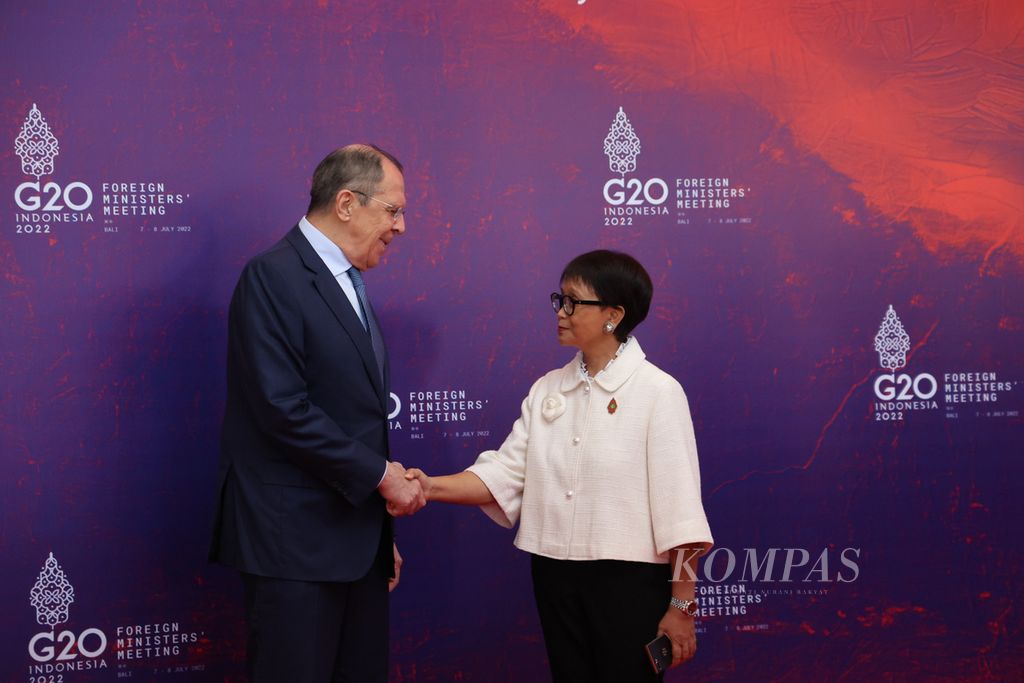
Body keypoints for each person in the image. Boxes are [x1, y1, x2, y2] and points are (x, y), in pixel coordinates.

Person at [405, 250, 713, 682]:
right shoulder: (549, 387)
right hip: (553, 574)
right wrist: (428, 486)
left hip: (629, 583)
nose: (560, 312)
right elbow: (504, 474)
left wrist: (681, 606)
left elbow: (681, 515)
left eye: (573, 302)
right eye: (559, 300)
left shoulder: (658, 392)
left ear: (613, 314)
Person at [209, 144, 425, 683]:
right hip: (294, 548)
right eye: (393, 211)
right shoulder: (273, 276)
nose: (400, 227)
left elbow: (353, 417)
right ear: (347, 203)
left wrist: (376, 540)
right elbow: (282, 409)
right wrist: (382, 477)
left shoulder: (349, 282)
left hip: (355, 547)